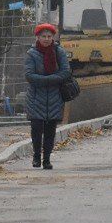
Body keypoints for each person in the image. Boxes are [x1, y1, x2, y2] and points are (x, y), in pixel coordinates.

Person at [24, 22, 73, 169]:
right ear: (37, 37)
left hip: (55, 98)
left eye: (49, 36)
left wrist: (45, 80)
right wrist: (50, 79)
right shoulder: (31, 54)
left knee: (50, 131)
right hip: (35, 98)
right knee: (37, 129)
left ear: (53, 37)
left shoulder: (59, 52)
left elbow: (66, 72)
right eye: (43, 36)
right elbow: (29, 75)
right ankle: (36, 157)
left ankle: (47, 159)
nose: (46, 39)